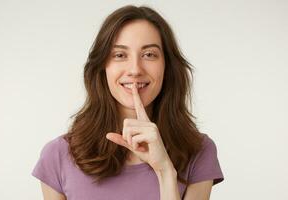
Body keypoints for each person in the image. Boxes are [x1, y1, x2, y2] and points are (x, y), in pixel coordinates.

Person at [32, 5, 224, 200]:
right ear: (102, 67)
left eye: (149, 54)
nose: (135, 69)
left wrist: (165, 172)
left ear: (167, 66)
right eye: (120, 55)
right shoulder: (57, 155)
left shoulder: (199, 151)